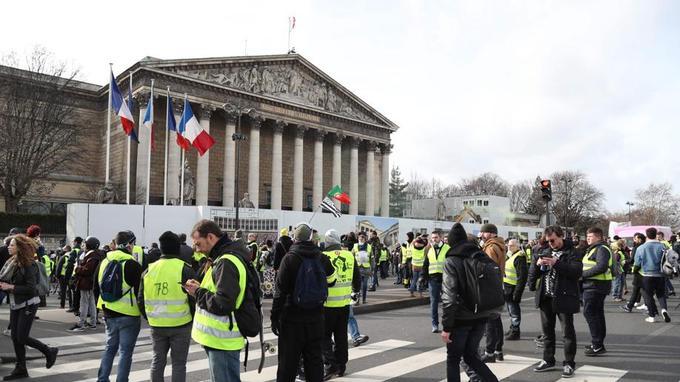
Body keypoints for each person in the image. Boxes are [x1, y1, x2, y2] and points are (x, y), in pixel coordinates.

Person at [183, 220, 252, 382]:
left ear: (211, 237)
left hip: (223, 340)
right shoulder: (222, 258)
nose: (196, 248)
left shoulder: (225, 262)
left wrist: (197, 292)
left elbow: (223, 303)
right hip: (220, 339)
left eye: (198, 243)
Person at [271, 222, 336, 382]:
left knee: (288, 365)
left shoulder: (289, 258)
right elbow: (332, 280)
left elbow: (279, 292)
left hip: (291, 319)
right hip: (316, 318)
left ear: (294, 238)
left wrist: (274, 317)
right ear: (310, 237)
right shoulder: (321, 257)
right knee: (314, 363)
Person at [441, 223, 499, 382]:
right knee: (471, 356)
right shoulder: (481, 256)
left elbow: (449, 298)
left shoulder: (452, 261)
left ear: (452, 242)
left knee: (453, 359)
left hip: (461, 318)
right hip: (481, 315)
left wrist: (446, 327)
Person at [139, 231, 196, 382]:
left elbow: (140, 300)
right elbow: (194, 299)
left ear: (161, 248)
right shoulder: (185, 269)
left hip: (156, 325)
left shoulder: (148, 270)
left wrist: (150, 317)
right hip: (181, 324)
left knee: (158, 361)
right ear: (178, 248)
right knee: (178, 364)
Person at [0, 234, 58, 380]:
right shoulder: (12, 262)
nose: (8, 246)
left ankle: (49, 351)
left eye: (12, 245)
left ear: (20, 248)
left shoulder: (29, 264)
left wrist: (10, 287)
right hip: (16, 302)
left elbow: (31, 288)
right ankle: (21, 369)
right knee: (15, 337)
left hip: (29, 303)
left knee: (21, 336)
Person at [528, 225, 582, 378]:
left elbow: (576, 272)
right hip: (546, 297)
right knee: (547, 332)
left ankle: (569, 363)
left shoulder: (572, 251)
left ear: (561, 236)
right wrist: (537, 265)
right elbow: (534, 273)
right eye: (548, 241)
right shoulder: (544, 250)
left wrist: (555, 263)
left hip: (564, 296)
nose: (550, 243)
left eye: (553, 240)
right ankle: (548, 360)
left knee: (567, 333)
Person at [96, 231, 143, 382]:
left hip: (108, 312)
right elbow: (140, 293)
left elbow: (96, 287)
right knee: (125, 352)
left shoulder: (104, 261)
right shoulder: (132, 264)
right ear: (129, 245)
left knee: (110, 348)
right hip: (129, 315)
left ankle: (102, 379)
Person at [321, 229, 360, 379]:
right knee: (341, 336)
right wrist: (355, 292)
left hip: (327, 304)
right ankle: (341, 366)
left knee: (324, 337)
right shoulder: (349, 255)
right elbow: (357, 277)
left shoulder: (324, 256)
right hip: (344, 303)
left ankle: (330, 365)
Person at [581, 227, 612, 356]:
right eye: (587, 236)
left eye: (591, 236)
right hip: (594, 285)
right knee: (597, 314)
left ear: (599, 237)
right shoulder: (594, 249)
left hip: (595, 286)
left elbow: (601, 266)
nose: (588, 238)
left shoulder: (601, 249)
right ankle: (598, 343)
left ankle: (597, 344)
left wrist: (582, 275)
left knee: (590, 314)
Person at [478, 224, 506, 363]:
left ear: (492, 234)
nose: (482, 235)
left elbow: (487, 267)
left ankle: (489, 352)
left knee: (489, 321)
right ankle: (498, 350)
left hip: (490, 287)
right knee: (496, 319)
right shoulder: (499, 245)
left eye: (484, 233)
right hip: (498, 286)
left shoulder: (490, 247)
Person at [635, 227, 671, 323]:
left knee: (648, 295)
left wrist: (634, 271)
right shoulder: (663, 246)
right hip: (660, 274)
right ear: (656, 235)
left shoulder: (641, 248)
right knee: (661, 294)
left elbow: (637, 263)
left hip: (646, 274)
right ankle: (664, 310)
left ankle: (652, 316)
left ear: (646, 236)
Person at [69, 236, 101, 331]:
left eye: (85, 243)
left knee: (84, 303)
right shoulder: (95, 255)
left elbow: (87, 270)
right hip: (90, 283)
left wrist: (77, 268)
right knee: (91, 303)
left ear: (89, 245)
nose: (84, 245)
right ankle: (92, 323)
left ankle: (81, 323)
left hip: (86, 283)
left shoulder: (92, 256)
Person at [423, 230, 449, 333]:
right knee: (433, 303)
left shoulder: (448, 248)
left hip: (445, 280)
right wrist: (422, 277)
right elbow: (426, 264)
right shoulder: (429, 249)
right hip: (432, 279)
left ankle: (446, 325)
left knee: (447, 303)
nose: (434, 240)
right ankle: (435, 324)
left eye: (436, 237)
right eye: (432, 238)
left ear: (441, 238)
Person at [503, 239, 528, 341]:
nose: (509, 247)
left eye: (512, 245)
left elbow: (522, 277)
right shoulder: (512, 255)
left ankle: (515, 331)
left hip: (513, 289)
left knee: (514, 312)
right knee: (511, 310)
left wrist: (517, 293)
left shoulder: (519, 257)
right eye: (508, 245)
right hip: (508, 288)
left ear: (517, 246)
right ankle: (512, 328)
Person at [622, 233, 646, 313]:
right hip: (646, 270)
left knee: (638, 289)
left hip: (638, 270)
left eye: (635, 238)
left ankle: (649, 307)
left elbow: (633, 260)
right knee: (640, 289)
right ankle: (633, 304)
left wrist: (625, 261)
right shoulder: (645, 246)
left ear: (640, 239)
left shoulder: (637, 248)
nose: (634, 240)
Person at [352, 232, 372, 304]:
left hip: (366, 268)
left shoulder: (369, 246)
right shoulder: (355, 246)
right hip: (357, 268)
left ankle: (364, 300)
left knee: (364, 285)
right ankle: (356, 300)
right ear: (358, 238)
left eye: (363, 237)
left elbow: (371, 258)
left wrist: (371, 268)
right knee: (357, 285)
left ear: (365, 238)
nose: (362, 238)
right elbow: (351, 256)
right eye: (360, 237)